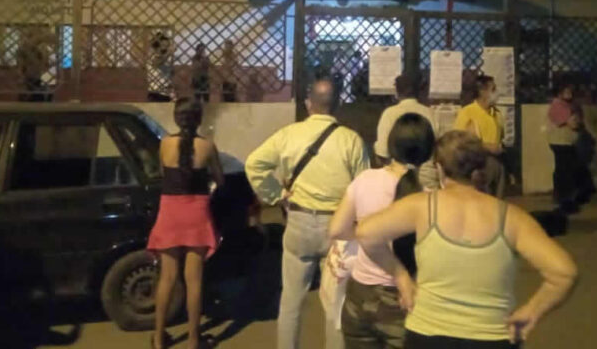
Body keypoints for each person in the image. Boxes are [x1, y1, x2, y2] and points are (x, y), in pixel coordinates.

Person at [355, 130, 579, 348]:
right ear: (482, 167)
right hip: (493, 338)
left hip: (428, 335)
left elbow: (366, 233)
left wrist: (401, 277)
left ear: (439, 168)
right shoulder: (512, 218)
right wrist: (531, 312)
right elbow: (564, 273)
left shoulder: (422, 206)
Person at [245, 79, 369, 349]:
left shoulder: (289, 134)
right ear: (337, 105)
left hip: (299, 222)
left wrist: (276, 195)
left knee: (291, 300)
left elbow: (254, 164)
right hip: (338, 226)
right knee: (335, 305)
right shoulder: (351, 140)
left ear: (308, 103)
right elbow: (363, 189)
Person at [328, 113, 436, 349]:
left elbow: (336, 229)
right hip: (403, 300)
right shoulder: (428, 199)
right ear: (428, 152)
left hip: (359, 297)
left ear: (391, 144)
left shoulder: (365, 179)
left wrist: (364, 234)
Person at [147, 98, 224, 349]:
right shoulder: (207, 146)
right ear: (199, 119)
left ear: (176, 118)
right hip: (196, 212)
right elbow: (220, 180)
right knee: (194, 281)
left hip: (170, 211)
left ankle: (159, 338)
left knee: (167, 278)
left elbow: (163, 173)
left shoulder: (165, 144)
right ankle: (193, 340)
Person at [374, 72, 442, 190]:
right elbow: (439, 149)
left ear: (397, 92)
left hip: (396, 181)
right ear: (418, 91)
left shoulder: (389, 113)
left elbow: (382, 152)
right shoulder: (430, 113)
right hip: (427, 179)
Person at [454, 75, 506, 197]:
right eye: (493, 89)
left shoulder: (497, 114)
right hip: (478, 166)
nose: (497, 93)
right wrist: (486, 147)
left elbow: (501, 137)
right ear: (483, 92)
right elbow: (459, 141)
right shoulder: (467, 113)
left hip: (497, 164)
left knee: (498, 201)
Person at [547, 81, 588, 214]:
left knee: (566, 170)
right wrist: (575, 120)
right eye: (566, 91)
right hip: (560, 142)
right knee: (563, 170)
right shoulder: (558, 105)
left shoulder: (571, 105)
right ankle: (563, 198)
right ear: (560, 92)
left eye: (570, 91)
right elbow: (573, 123)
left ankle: (563, 197)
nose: (569, 93)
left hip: (568, 142)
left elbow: (578, 121)